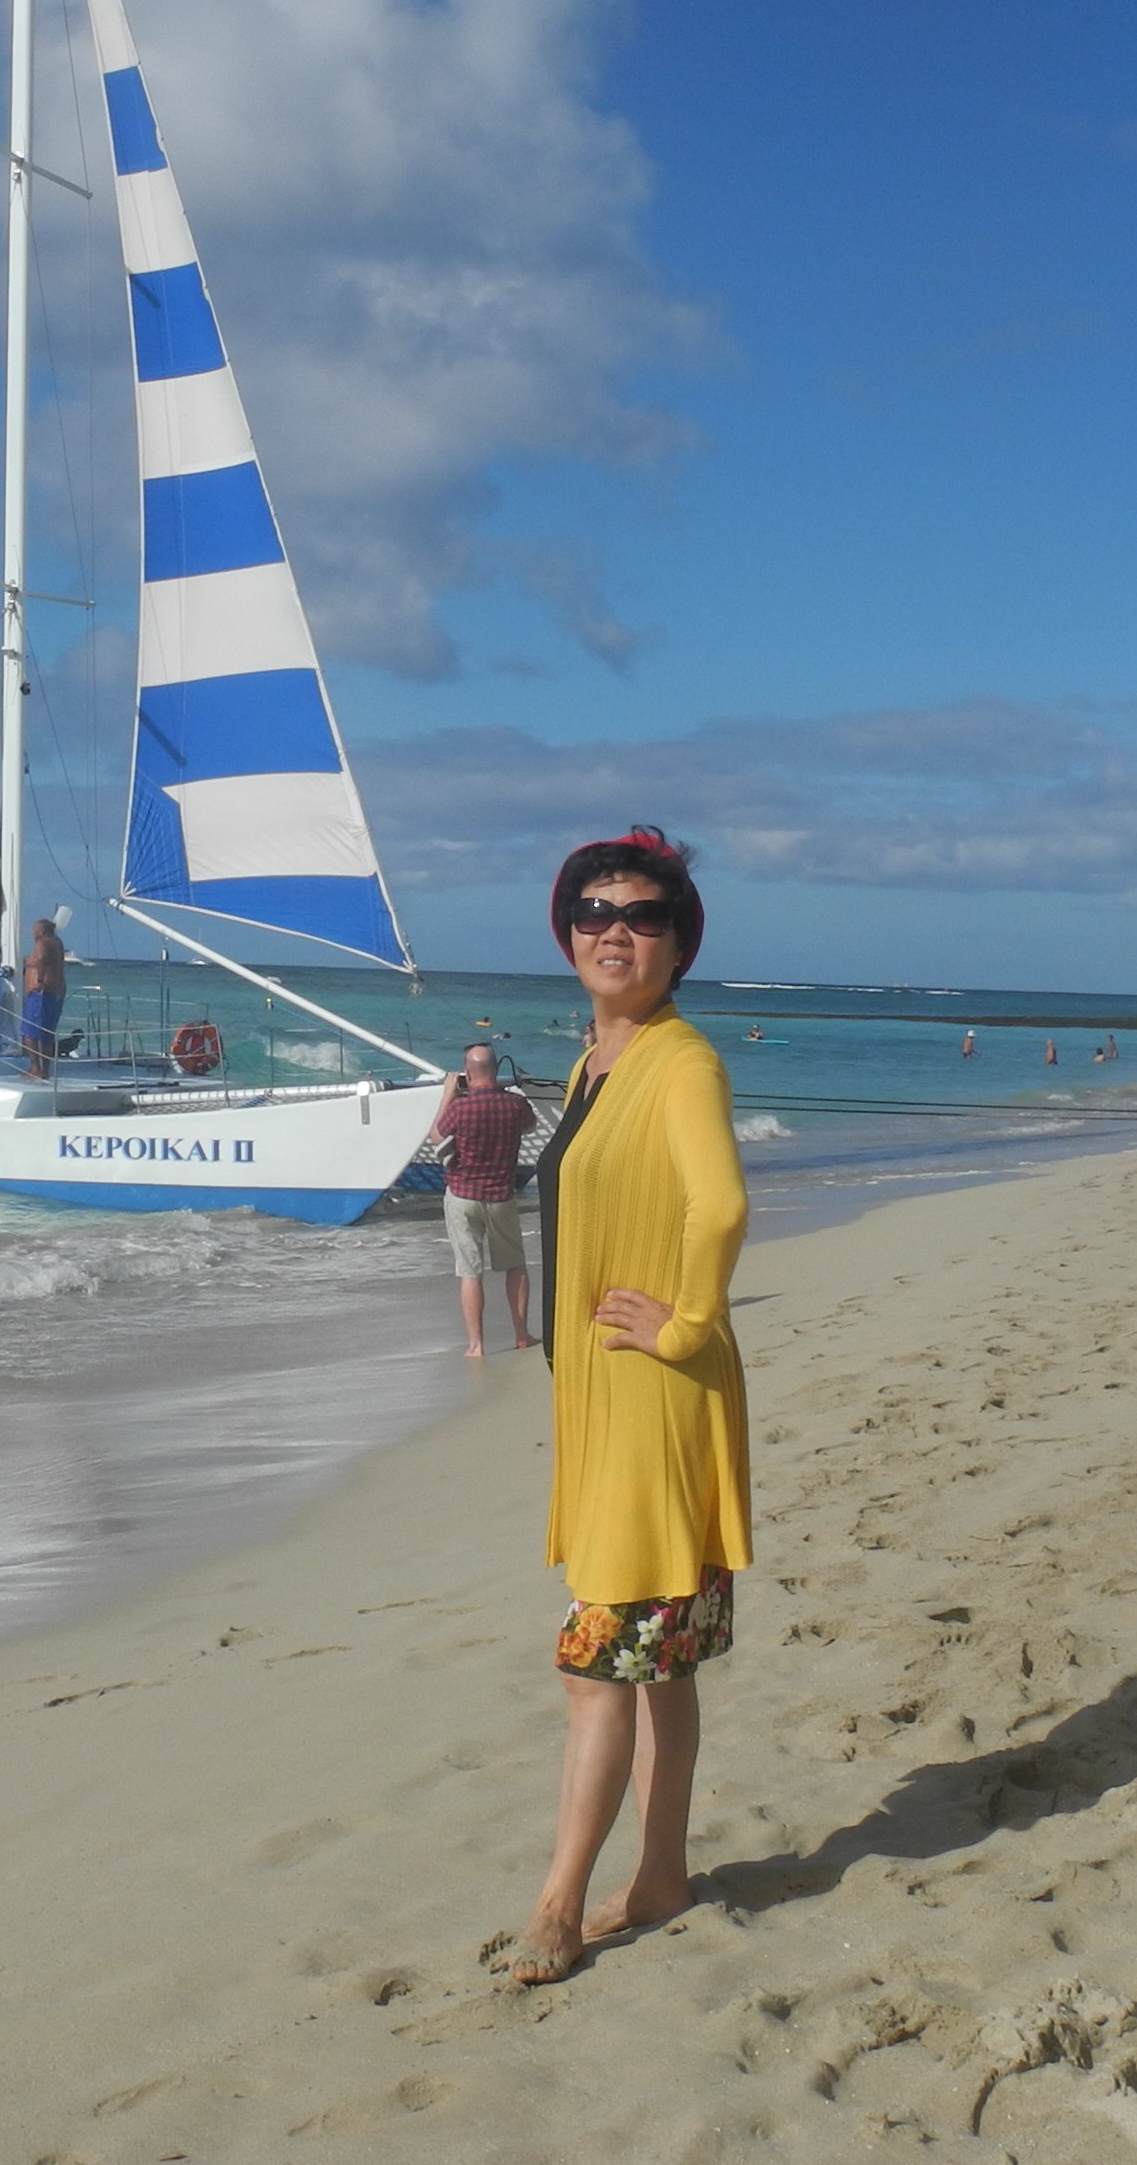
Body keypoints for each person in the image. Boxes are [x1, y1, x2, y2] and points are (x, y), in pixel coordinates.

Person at [481, 828, 748, 1988]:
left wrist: (683, 1326)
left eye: (641, 913)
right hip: (606, 1398)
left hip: (653, 1397)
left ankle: (558, 1903)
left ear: (680, 942)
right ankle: (664, 1875)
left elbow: (721, 1207)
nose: (613, 929)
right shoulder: (598, 1064)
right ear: (566, 932)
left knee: (600, 1662)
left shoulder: (680, 1061)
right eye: (592, 912)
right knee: (661, 1664)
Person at [430, 1042, 537, 1357]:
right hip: (501, 1195)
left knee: (470, 1271)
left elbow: (437, 1135)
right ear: (496, 1070)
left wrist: (449, 1091)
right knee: (515, 1265)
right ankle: (521, 1334)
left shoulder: (460, 1108)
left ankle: (476, 1345)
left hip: (462, 1195)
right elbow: (530, 1126)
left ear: (467, 1073)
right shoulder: (515, 1105)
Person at [17, 916, 68, 1078]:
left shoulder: (43, 943)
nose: (32, 933)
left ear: (41, 931)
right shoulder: (57, 942)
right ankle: (44, 1069)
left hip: (41, 993)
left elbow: (41, 959)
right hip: (54, 992)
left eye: (34, 930)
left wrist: (38, 978)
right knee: (46, 1033)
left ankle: (35, 1067)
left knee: (29, 1033)